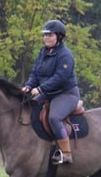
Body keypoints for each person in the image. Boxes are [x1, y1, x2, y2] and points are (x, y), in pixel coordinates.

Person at [22, 19, 80, 164]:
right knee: (28, 108)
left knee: (54, 117)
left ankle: (66, 154)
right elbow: (35, 73)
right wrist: (29, 85)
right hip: (48, 93)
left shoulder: (65, 55)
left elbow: (60, 78)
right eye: (45, 35)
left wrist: (40, 89)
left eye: (50, 35)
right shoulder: (43, 52)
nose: (46, 38)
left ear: (59, 37)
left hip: (65, 93)